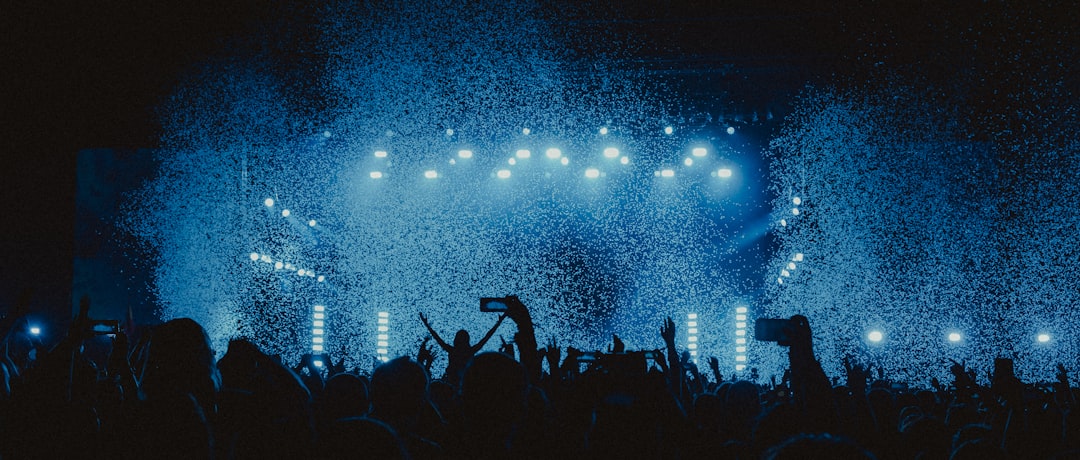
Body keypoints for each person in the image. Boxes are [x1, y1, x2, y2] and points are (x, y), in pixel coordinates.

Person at [419, 311, 505, 386]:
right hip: (467, 382)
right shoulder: (470, 351)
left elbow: (437, 337)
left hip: (452, 380)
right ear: (467, 340)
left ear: (456, 339)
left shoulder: (452, 350)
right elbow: (487, 337)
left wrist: (427, 325)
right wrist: (499, 322)